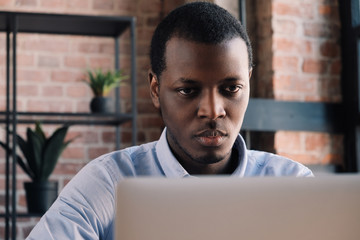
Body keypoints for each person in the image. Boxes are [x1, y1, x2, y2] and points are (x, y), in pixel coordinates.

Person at [27, 2, 313, 239]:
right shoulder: (109, 183)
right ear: (155, 89)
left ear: (248, 83)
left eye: (231, 89)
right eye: (188, 90)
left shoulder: (293, 186)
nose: (213, 111)